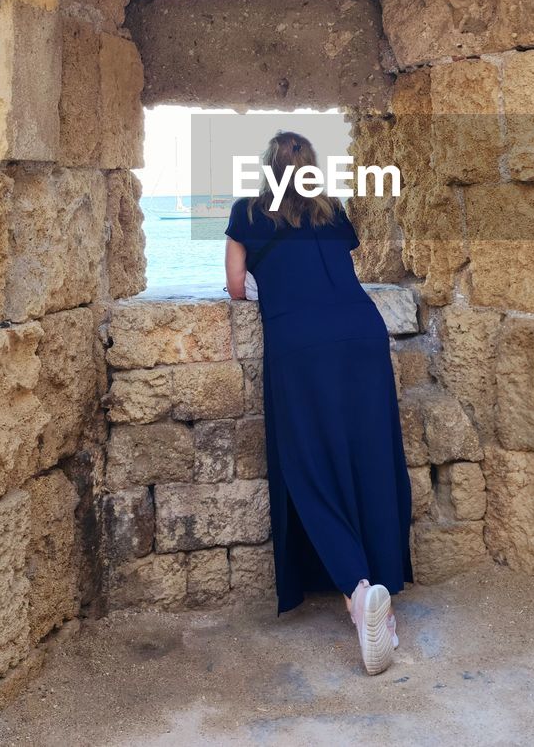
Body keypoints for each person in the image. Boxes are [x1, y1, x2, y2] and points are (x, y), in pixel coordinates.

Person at [224, 130, 413, 675]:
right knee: (370, 456)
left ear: (266, 167)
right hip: (362, 337)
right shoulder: (334, 213)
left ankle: (358, 598)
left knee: (309, 468)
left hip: (299, 345)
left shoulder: (247, 212)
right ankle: (383, 591)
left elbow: (236, 285)